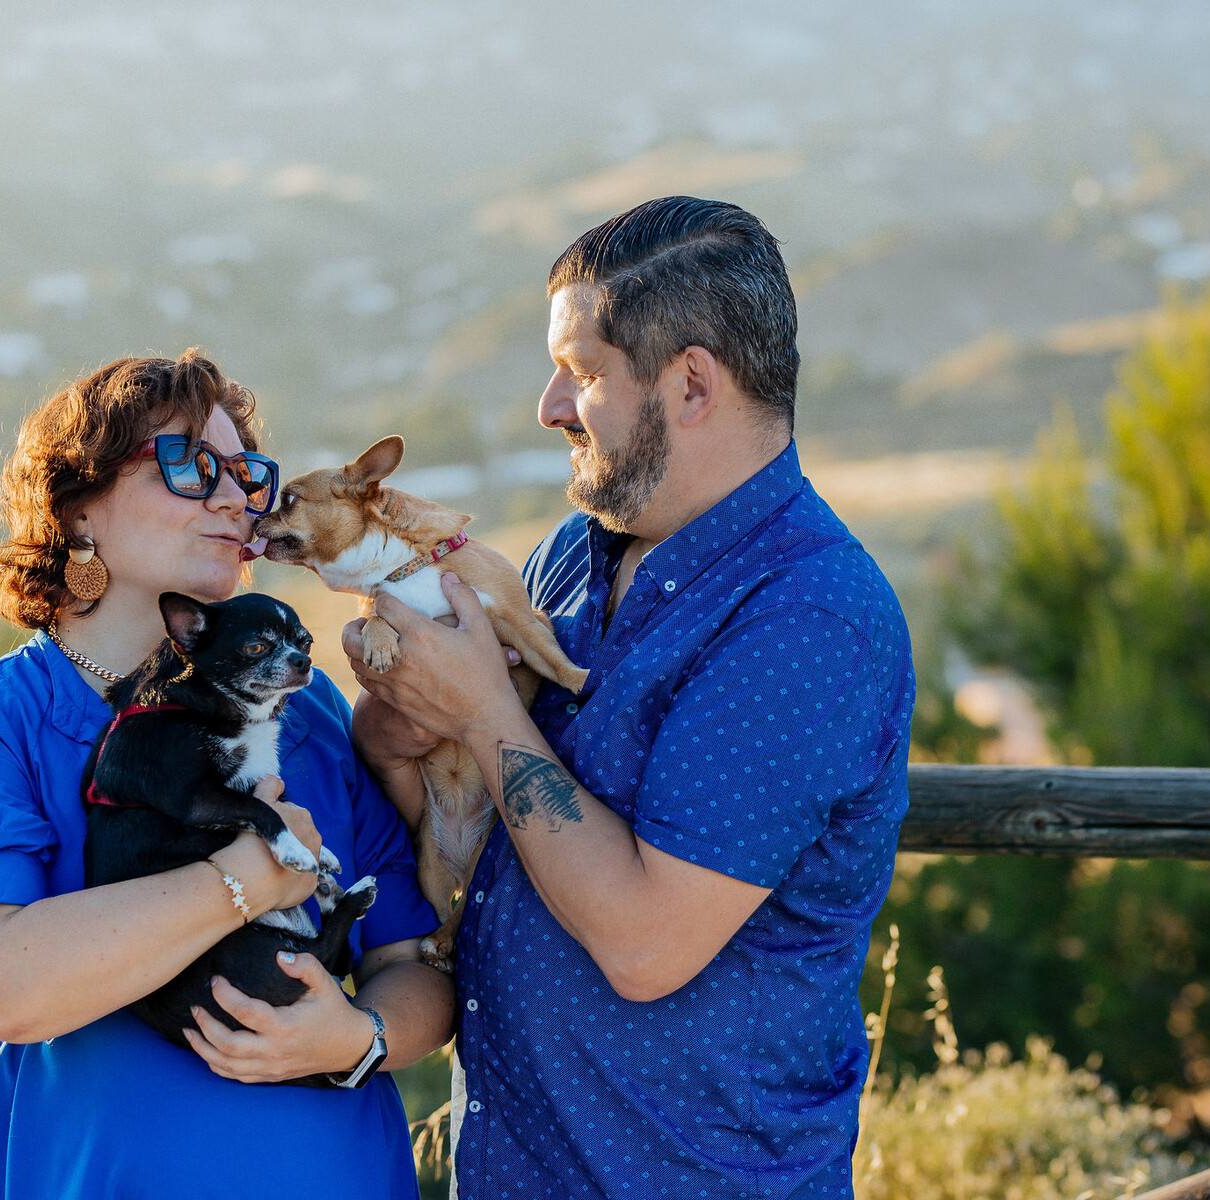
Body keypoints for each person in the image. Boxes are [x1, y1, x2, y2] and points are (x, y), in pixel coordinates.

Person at [346, 197, 916, 1198]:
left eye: (585, 373)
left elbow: (647, 941)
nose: (551, 408)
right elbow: (487, 826)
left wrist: (484, 710)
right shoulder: (574, 555)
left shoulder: (810, 619)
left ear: (692, 383)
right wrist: (402, 728)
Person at [0, 352, 453, 1200]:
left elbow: (418, 968)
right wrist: (245, 878)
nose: (235, 498)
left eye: (247, 475)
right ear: (77, 506)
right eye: (188, 466)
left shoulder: (317, 709)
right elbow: (0, 988)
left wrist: (358, 1038)